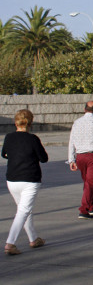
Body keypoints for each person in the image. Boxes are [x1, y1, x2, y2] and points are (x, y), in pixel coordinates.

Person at [2, 109, 48, 255]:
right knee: (23, 211)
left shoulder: (9, 137)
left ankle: (34, 238)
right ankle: (10, 243)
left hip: (13, 179)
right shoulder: (33, 139)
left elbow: (4, 154)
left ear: (16, 122)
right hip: (30, 179)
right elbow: (44, 158)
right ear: (30, 123)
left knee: (24, 209)